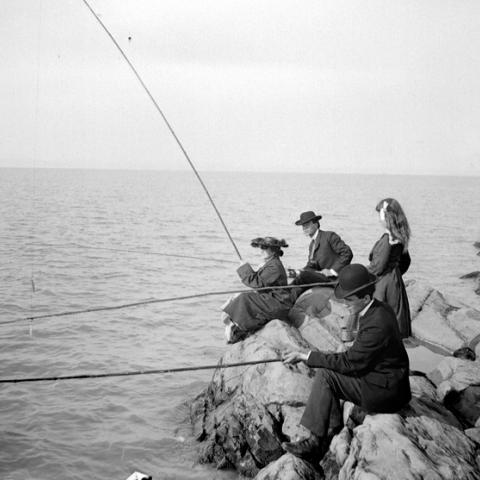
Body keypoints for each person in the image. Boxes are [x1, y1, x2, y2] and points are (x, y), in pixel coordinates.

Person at [282, 264, 411, 463]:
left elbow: (350, 363)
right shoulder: (380, 309)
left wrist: (307, 356)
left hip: (386, 393)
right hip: (390, 381)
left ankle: (315, 443)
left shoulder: (377, 323)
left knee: (326, 375)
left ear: (365, 298)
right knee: (331, 369)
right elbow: (362, 356)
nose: (344, 303)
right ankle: (331, 426)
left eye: (349, 300)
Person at [222, 237, 293, 343]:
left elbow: (256, 282)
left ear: (273, 251)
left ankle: (238, 327)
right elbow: (261, 281)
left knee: (244, 298)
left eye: (264, 248)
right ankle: (238, 326)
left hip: (278, 304)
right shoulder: (271, 263)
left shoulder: (274, 266)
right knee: (243, 298)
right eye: (261, 248)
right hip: (272, 300)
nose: (261, 251)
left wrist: (244, 267)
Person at [367, 198, 412, 338]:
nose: (378, 218)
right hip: (394, 281)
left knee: (381, 318)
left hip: (383, 283)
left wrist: (361, 275)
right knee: (396, 319)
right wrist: (395, 274)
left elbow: (378, 267)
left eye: (379, 214)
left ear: (386, 215)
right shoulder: (399, 236)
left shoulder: (388, 238)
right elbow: (406, 261)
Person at [289, 211, 353, 298]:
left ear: (315, 224)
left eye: (307, 224)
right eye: (303, 226)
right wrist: (296, 272)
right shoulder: (312, 245)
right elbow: (311, 266)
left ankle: (285, 294)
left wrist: (332, 271)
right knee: (299, 281)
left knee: (304, 276)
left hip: (334, 280)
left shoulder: (329, 236)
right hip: (321, 278)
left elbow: (347, 253)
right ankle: (287, 296)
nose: (304, 228)